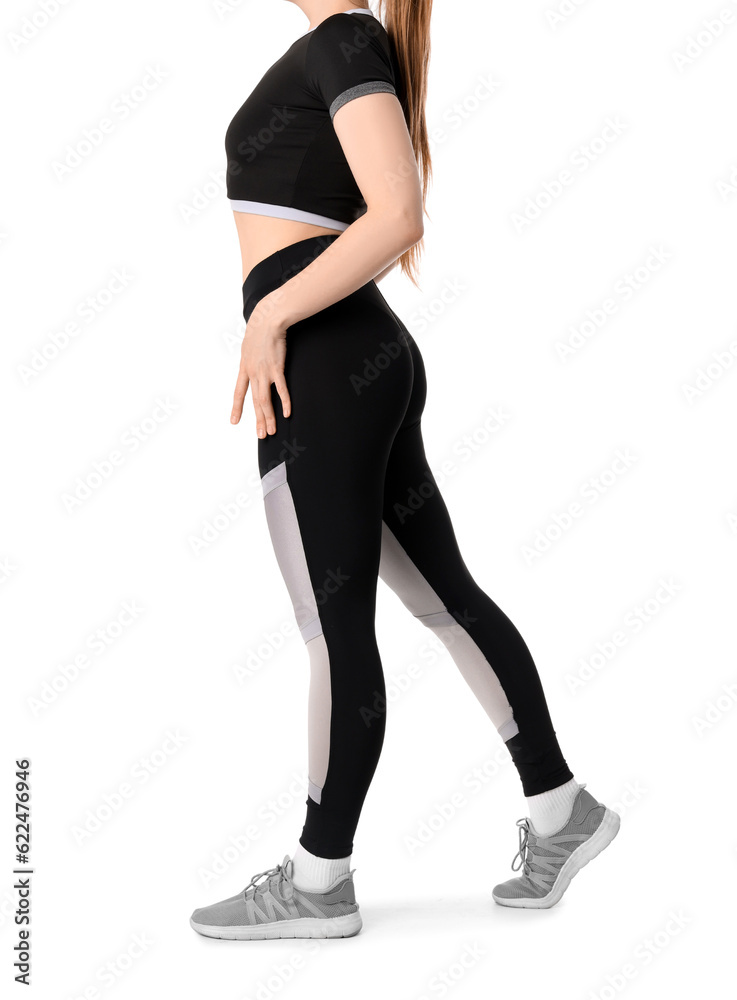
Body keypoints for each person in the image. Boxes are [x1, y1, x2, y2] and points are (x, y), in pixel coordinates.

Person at [190, 0, 619, 941]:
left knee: (333, 631)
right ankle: (562, 809)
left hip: (325, 367)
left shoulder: (345, 38)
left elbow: (397, 214)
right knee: (440, 597)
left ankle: (316, 878)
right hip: (346, 362)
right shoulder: (336, 47)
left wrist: (266, 319)